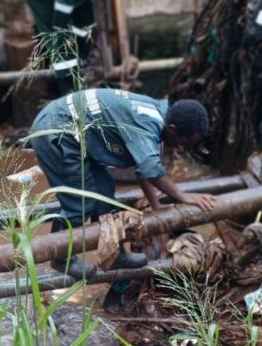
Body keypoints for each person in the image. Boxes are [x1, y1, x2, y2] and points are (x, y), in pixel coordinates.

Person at [30, 88, 215, 278]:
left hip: (76, 136)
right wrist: (182, 195)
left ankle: (114, 253)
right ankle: (62, 259)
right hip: (55, 131)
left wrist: (156, 206)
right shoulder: (146, 123)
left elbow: (143, 167)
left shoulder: (159, 116)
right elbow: (150, 169)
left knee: (104, 192)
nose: (181, 148)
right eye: (182, 142)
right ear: (173, 128)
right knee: (80, 201)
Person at [19, 0, 142, 86]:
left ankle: (84, 65)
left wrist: (86, 50)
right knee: (57, 38)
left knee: (87, 18)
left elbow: (88, 17)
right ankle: (65, 88)